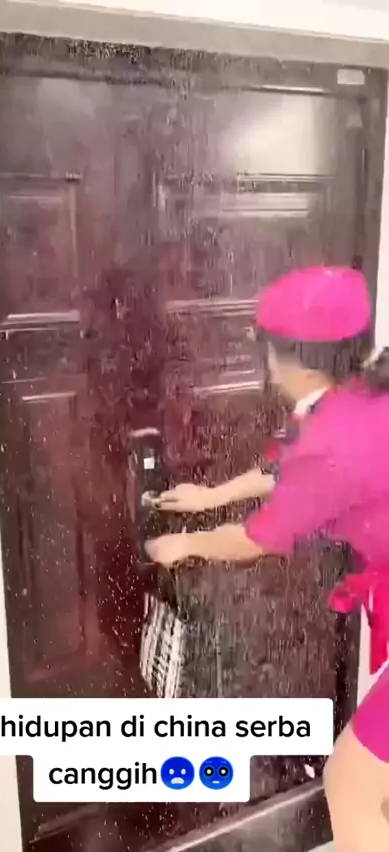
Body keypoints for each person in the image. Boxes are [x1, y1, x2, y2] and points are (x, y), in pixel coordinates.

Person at [145, 266, 389, 852]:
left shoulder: (335, 438)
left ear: (294, 359)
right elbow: (290, 467)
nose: (267, 365)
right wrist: (211, 496)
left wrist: (186, 544)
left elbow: (261, 536)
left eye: (269, 350)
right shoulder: (359, 395)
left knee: (351, 782)